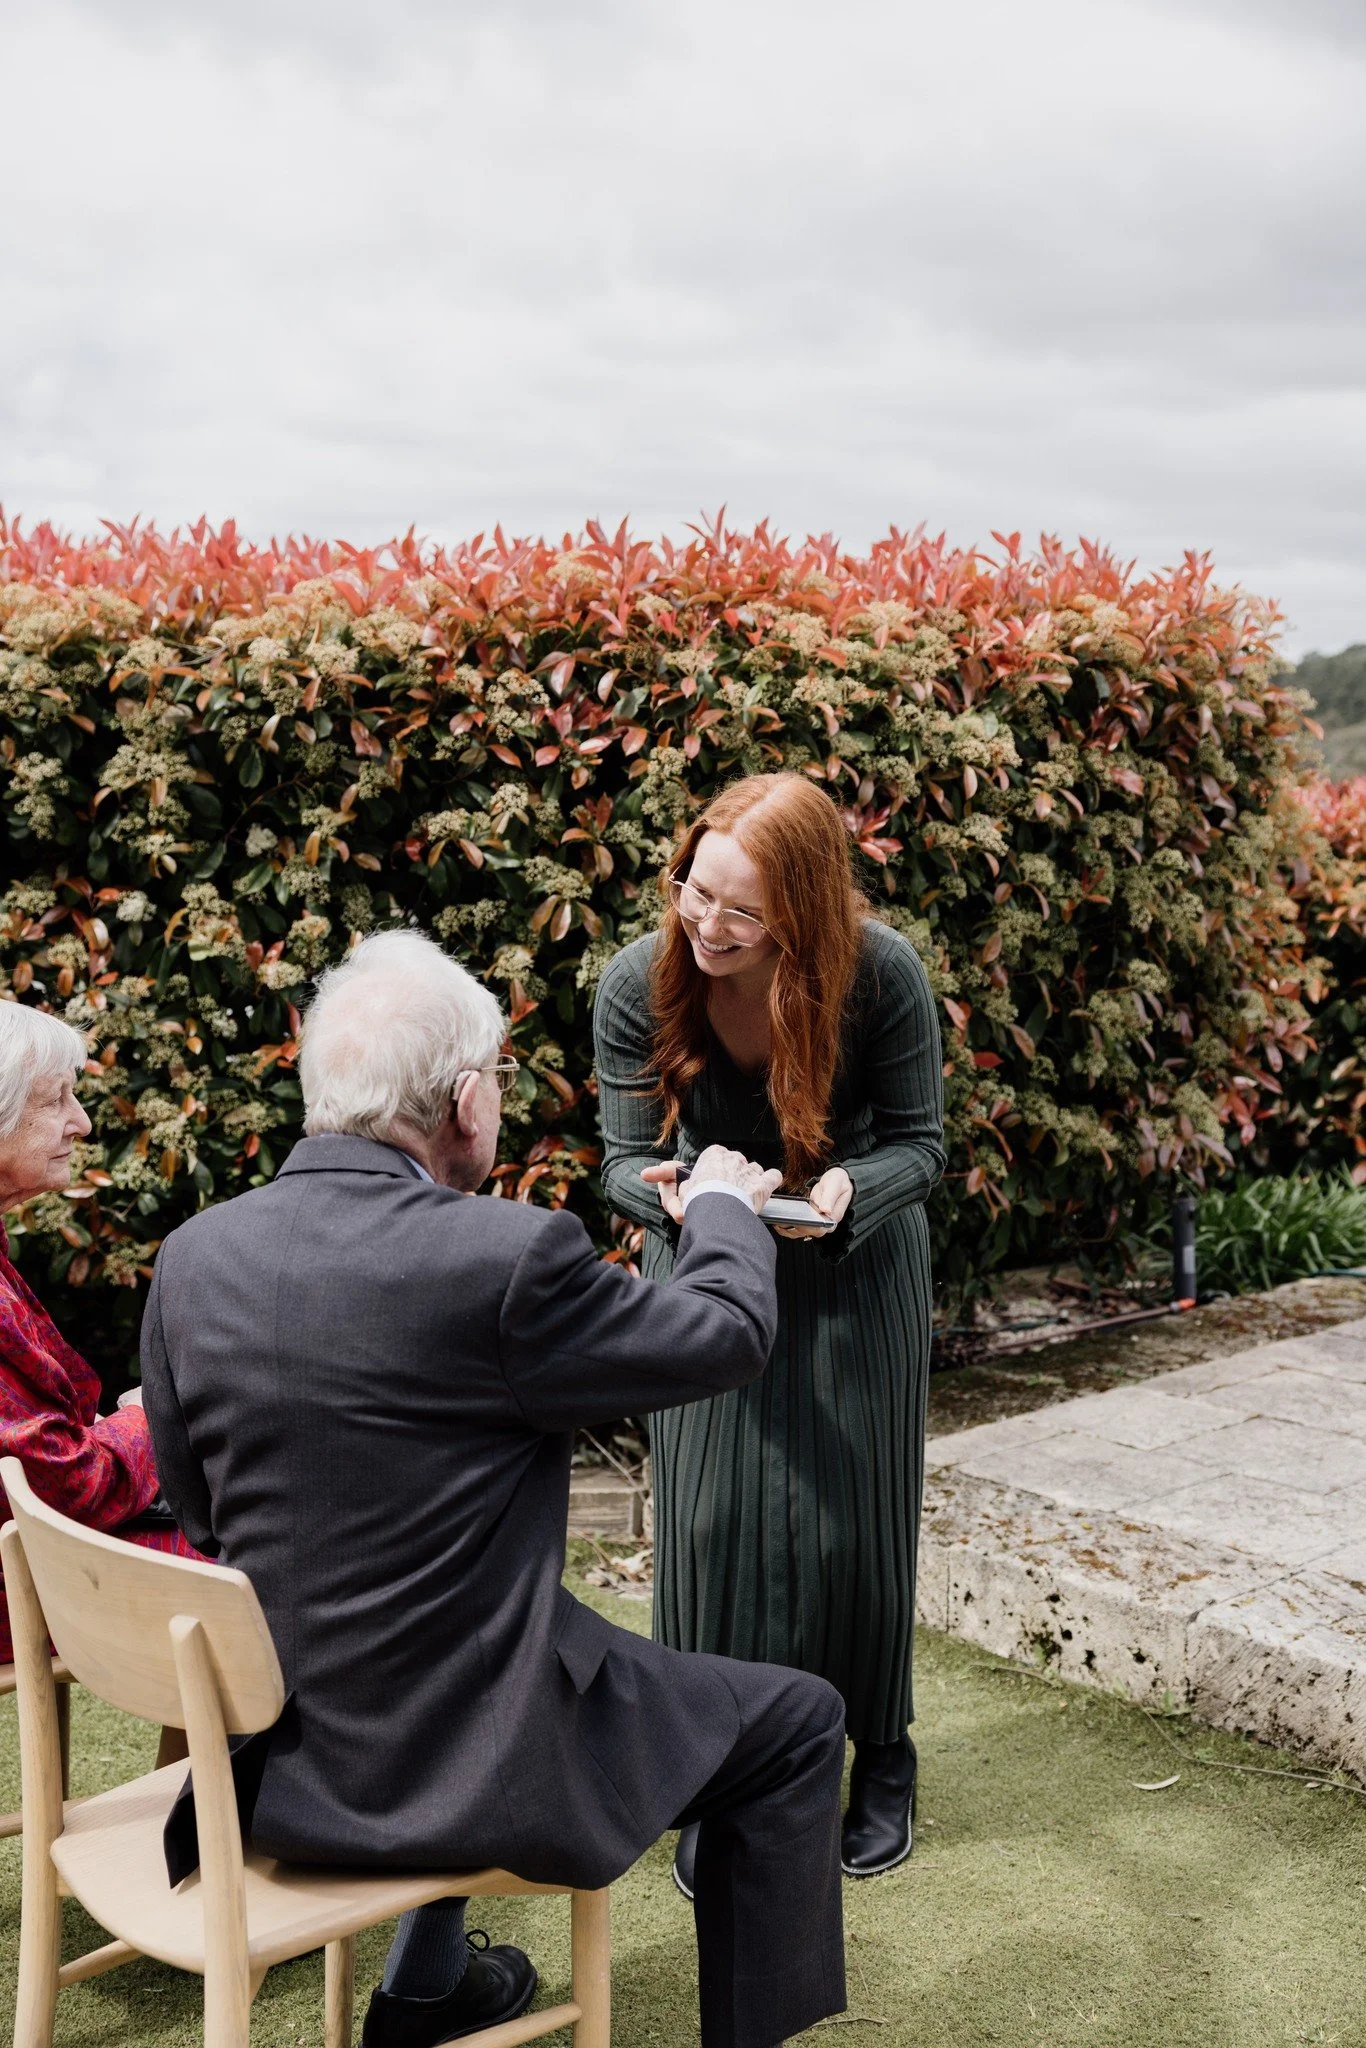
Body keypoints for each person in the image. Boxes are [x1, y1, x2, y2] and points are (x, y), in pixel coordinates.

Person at [141, 930, 847, 2048]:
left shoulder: (194, 1255)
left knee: (488, 1630)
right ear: (467, 1100)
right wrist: (719, 1202)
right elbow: (723, 1332)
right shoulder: (505, 1258)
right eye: (503, 1081)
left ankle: (424, 1992)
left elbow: (197, 1508)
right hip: (468, 1763)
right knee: (802, 1721)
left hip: (275, 1770)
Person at [594, 772, 946, 1892]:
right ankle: (713, 1775)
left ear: (801, 909)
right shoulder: (636, 981)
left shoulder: (880, 973)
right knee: (706, 1528)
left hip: (854, 1274)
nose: (708, 925)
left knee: (859, 1527)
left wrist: (849, 1187)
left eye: (741, 912)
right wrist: (675, 1198)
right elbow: (614, 1159)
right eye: (697, 890)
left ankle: (879, 1754)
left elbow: (921, 1144)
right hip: (704, 1278)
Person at [0, 1003, 201, 1667]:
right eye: (56, 1099)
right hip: (21, 1588)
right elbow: (72, 1489)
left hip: (30, 1562)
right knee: (275, 1562)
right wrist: (150, 1421)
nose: (81, 1122)